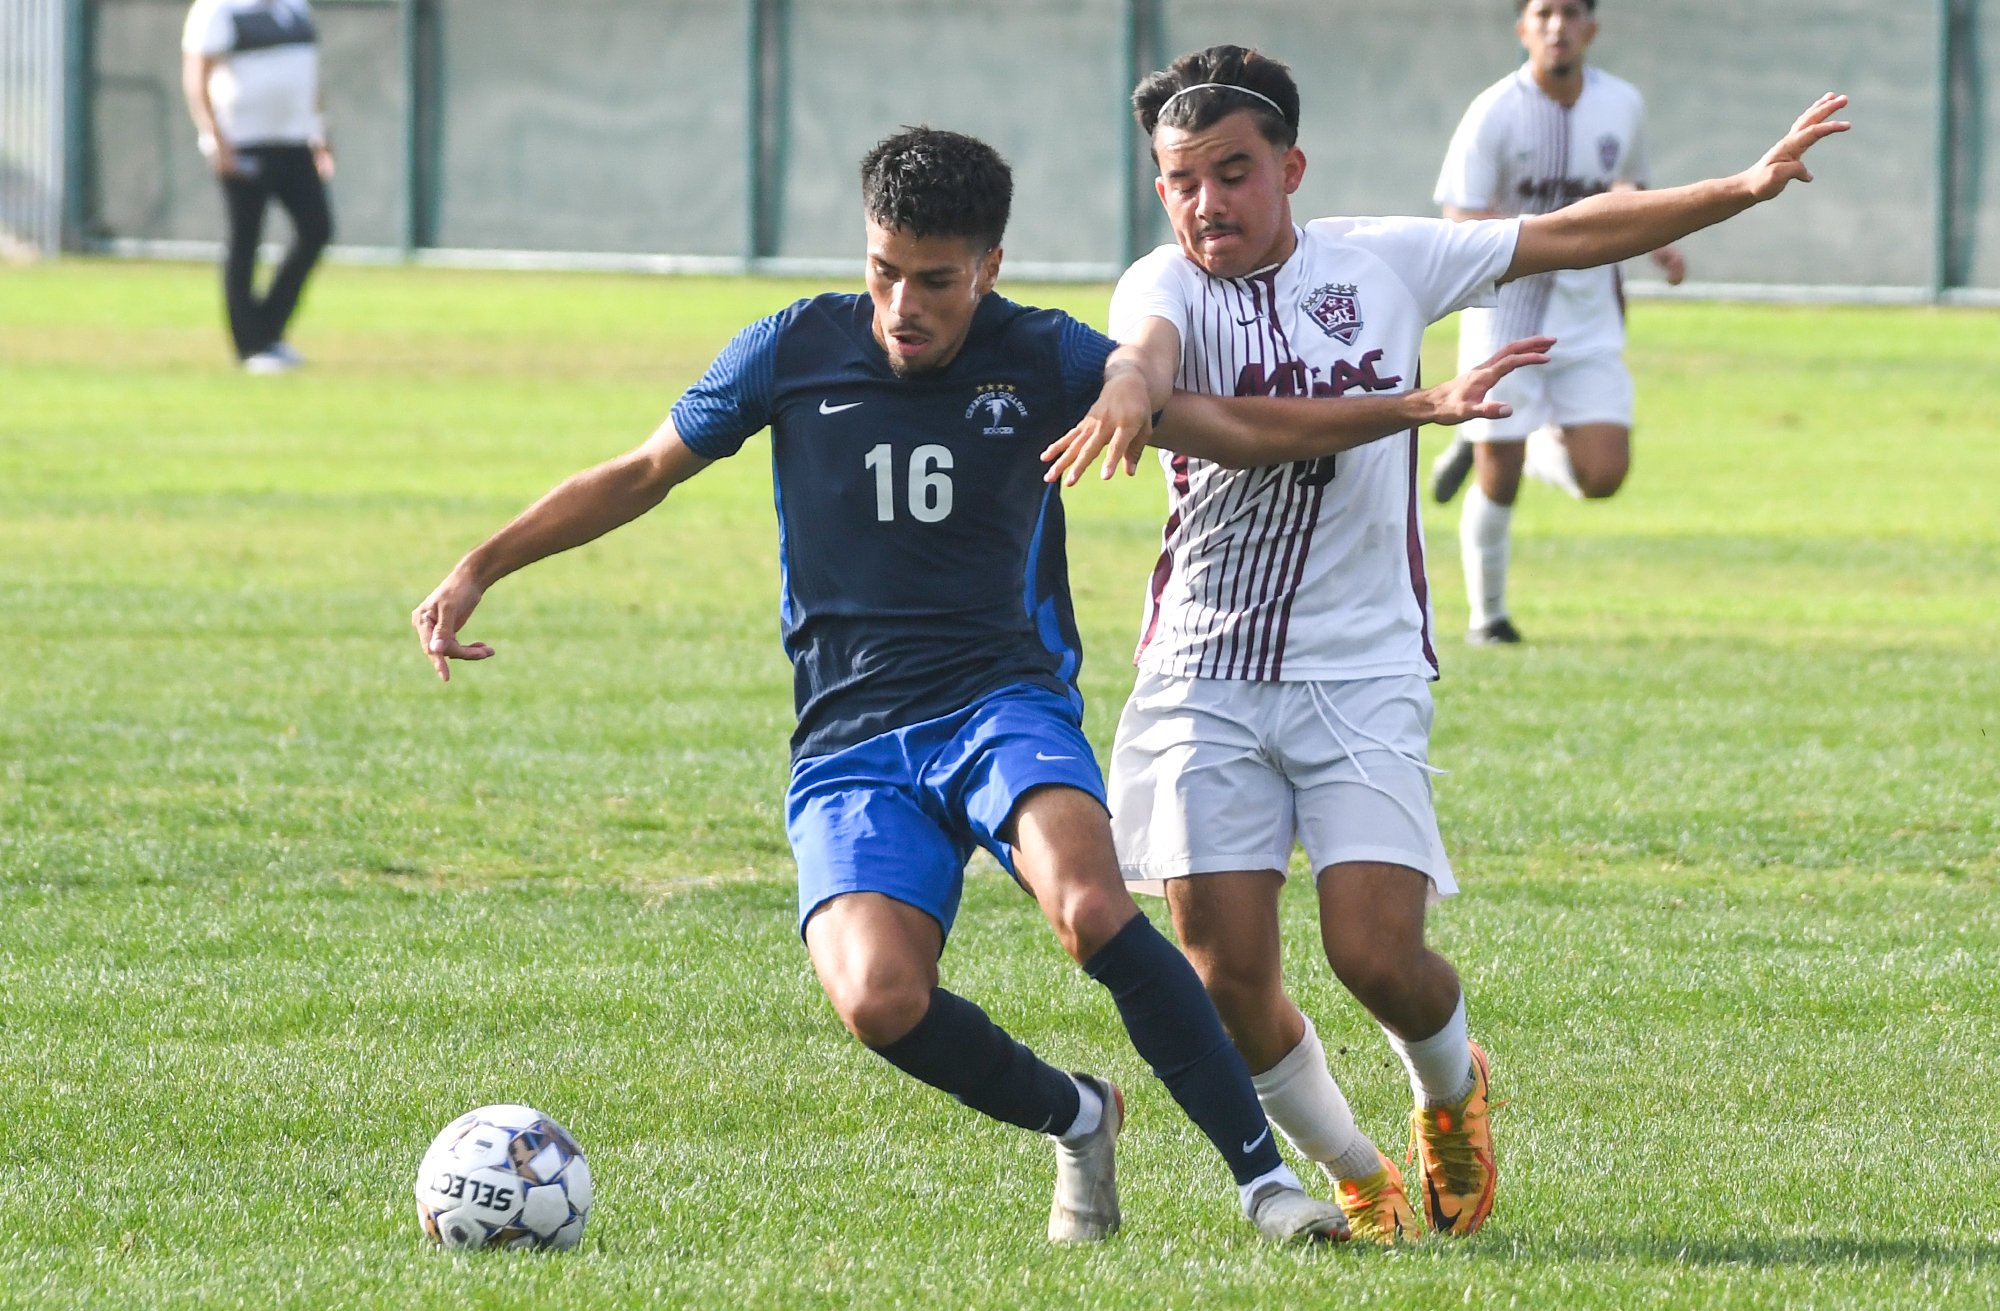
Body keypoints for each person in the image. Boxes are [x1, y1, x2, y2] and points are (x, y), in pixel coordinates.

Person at [410, 126, 1544, 1246]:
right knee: (878, 1001)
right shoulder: (792, 348)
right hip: (850, 737)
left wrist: (1403, 405)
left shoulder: (1039, 353)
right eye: (883, 272)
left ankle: (1267, 1185)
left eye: (935, 281)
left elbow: (1223, 425)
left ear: (988, 266)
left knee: (1093, 910)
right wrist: (478, 567)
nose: (903, 306)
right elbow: (641, 471)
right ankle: (1078, 1114)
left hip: (1004, 702)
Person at [1044, 44, 1846, 1241]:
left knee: (1374, 955)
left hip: (1363, 664)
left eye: (1232, 171)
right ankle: (1352, 1171)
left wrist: (1738, 187)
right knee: (1227, 978)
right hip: (1201, 671)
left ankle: (1448, 1089)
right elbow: (1152, 363)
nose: (1204, 201)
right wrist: (1126, 386)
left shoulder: (1381, 260)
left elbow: (1567, 234)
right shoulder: (1157, 285)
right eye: (1179, 179)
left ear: (1289, 169)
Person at [1428, 0, 1686, 644]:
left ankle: (1522, 442)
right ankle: (1488, 619)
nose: (1556, 26)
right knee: (1500, 476)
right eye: (1543, 12)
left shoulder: (1621, 103)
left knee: (1604, 477)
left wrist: (1659, 245)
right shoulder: (1494, 111)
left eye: (1571, 13)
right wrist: (1539, 241)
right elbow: (1460, 216)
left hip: (1590, 316)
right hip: (1509, 315)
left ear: (1590, 29)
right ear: (1523, 29)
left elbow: (1630, 191)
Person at [180, 0, 334, 374]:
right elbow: (196, 74)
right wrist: (215, 139)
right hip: (243, 142)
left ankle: (268, 332)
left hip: (294, 141)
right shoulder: (217, 9)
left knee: (316, 228)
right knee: (245, 238)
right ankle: (250, 346)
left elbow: (307, 73)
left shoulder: (295, 6)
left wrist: (320, 130)